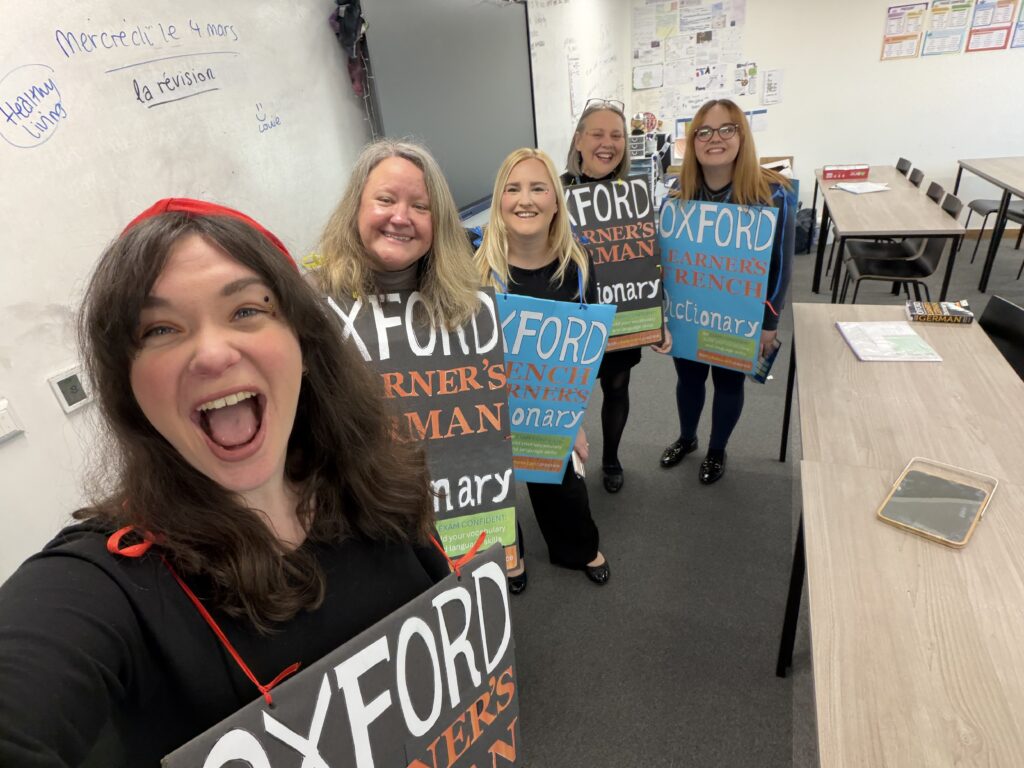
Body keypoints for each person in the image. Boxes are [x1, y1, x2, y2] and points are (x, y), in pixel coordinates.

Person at [0, 199, 451, 766]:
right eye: (160, 329)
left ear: (303, 344)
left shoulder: (378, 483)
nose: (212, 354)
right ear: (130, 388)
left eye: (246, 310)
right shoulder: (107, 582)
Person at [476, 147, 610, 593]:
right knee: (490, 484)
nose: (525, 199)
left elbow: (582, 357)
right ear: (499, 200)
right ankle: (507, 554)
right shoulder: (475, 269)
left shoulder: (579, 265)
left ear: (556, 200)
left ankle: (577, 547)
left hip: (549, 405)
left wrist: (574, 422)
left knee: (562, 482)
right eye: (512, 189)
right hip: (487, 403)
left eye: (538, 188)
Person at [659, 98, 796, 484]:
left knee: (728, 383)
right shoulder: (679, 192)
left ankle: (717, 449)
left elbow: (781, 266)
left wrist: (769, 322)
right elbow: (666, 259)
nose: (714, 138)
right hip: (689, 310)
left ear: (742, 135)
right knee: (688, 380)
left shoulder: (773, 193)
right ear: (692, 142)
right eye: (703, 131)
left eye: (726, 129)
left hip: (738, 314)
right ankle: (687, 438)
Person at [562, 98, 671, 494]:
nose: (607, 143)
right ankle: (563, 465)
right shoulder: (554, 192)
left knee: (617, 386)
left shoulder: (634, 195)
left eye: (616, 135)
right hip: (570, 319)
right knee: (565, 396)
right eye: (597, 134)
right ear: (579, 140)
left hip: (620, 315)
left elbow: (646, 260)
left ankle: (611, 458)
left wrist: (656, 318)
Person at [317, 138, 479, 328]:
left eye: (420, 206)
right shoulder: (313, 298)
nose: (400, 218)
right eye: (386, 200)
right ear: (355, 207)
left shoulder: (466, 297)